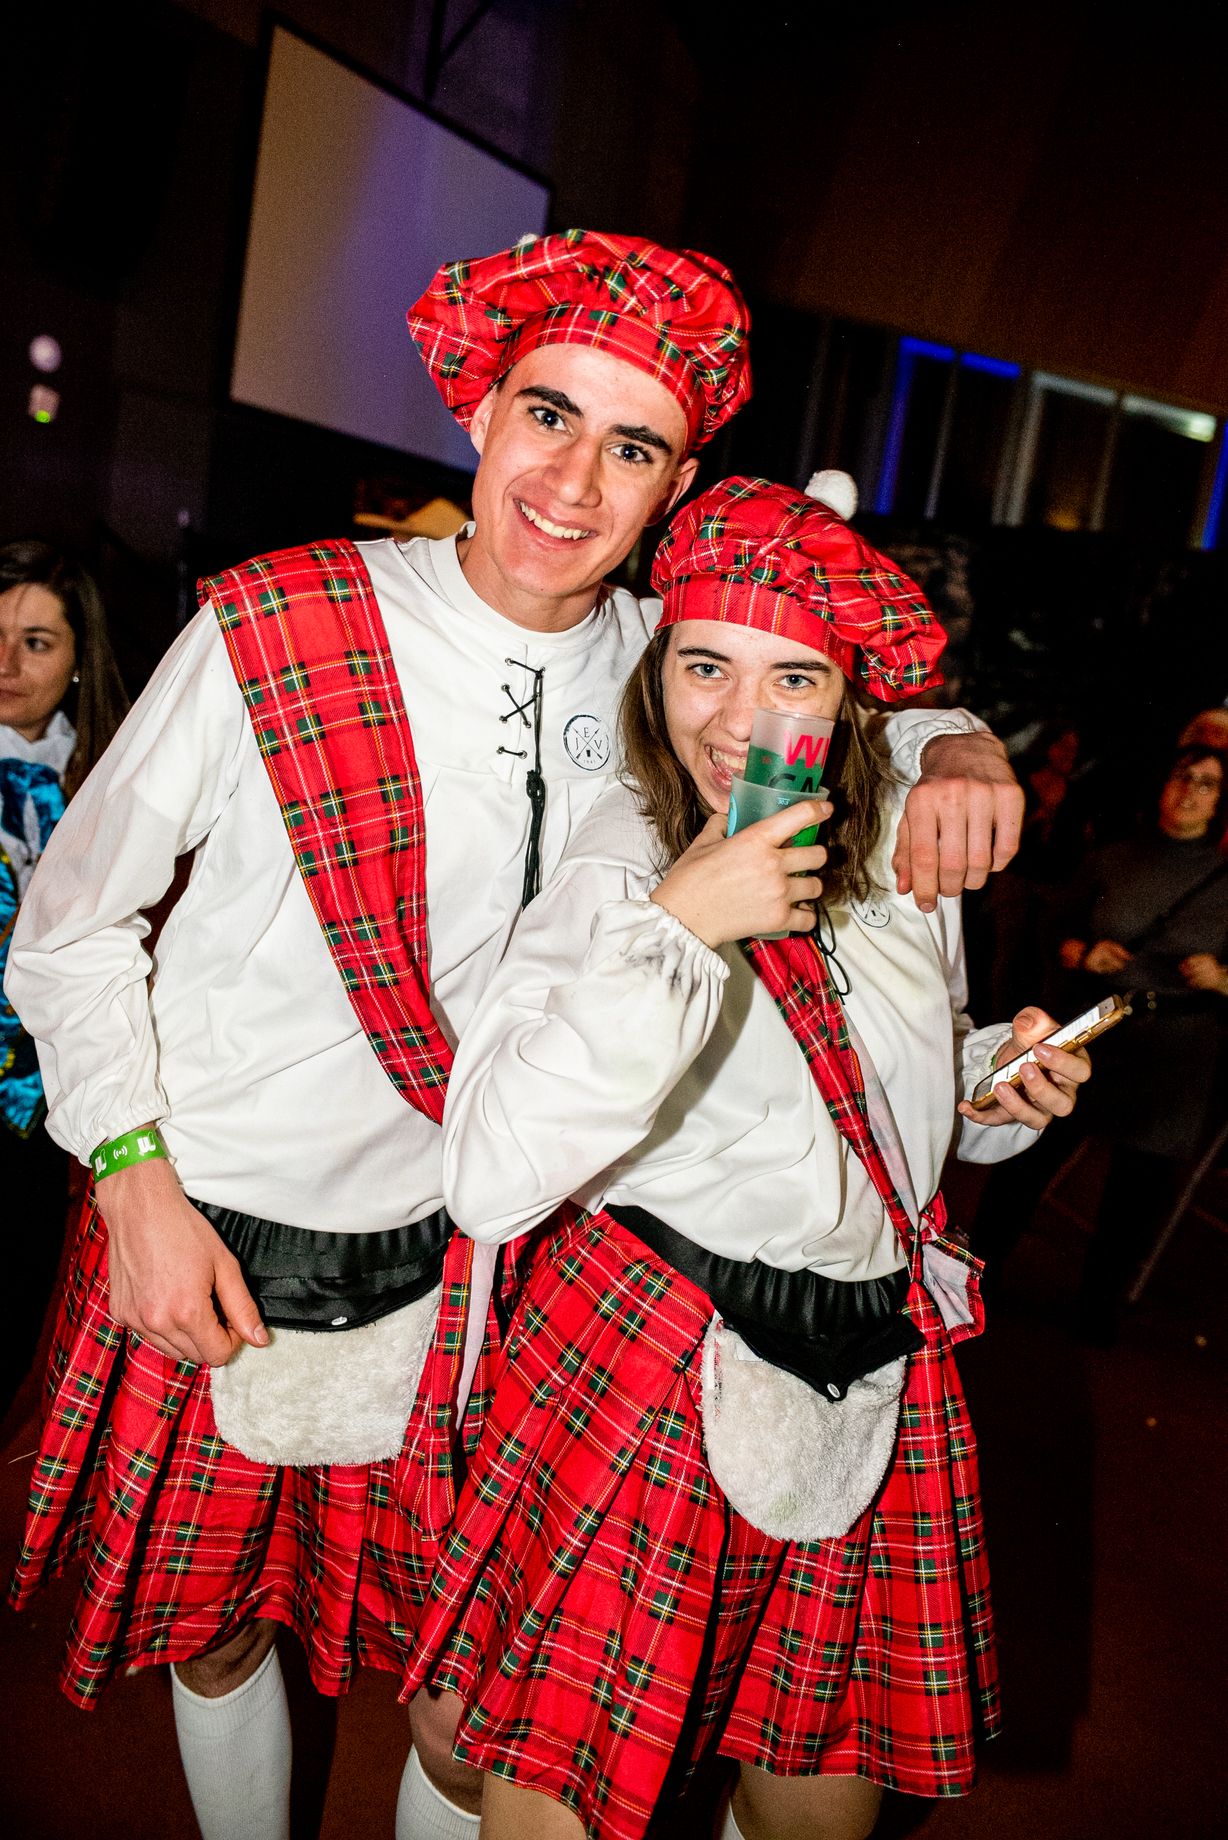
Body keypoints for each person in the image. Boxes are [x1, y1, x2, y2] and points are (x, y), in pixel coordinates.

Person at [5, 234, 1023, 1840]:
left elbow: (840, 684)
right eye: (549, 414)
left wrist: (963, 742)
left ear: (675, 487)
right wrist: (130, 1179)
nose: (574, 480)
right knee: (220, 1635)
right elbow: (67, 927)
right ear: (480, 413)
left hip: (507, 1267)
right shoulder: (280, 621)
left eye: (635, 447)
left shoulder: (660, 657)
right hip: (225, 1219)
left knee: (467, 1706)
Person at [402, 478, 1090, 1840]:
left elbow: (903, 1100)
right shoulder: (619, 861)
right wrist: (681, 926)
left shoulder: (895, 846)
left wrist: (993, 1083)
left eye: (795, 677)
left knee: (813, 1813)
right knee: (550, 1794)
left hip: (871, 1363)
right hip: (661, 1353)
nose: (738, 720)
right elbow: (485, 1174)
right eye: (706, 666)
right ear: (658, 669)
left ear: (848, 700)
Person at [973, 743, 1228, 1332]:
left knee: (1136, 1193)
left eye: (1207, 783)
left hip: (1177, 1052)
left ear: (1221, 801)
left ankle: (1094, 1318)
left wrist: (1221, 977)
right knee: (1028, 1158)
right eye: (1182, 775)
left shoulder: (1223, 882)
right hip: (1097, 1030)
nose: (1189, 791)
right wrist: (1081, 953)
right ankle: (974, 1276)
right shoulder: (1114, 859)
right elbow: (1053, 929)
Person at [0, 540, 127, 1420]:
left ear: (80, 659)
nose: (6, 664)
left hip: (41, 1113)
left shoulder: (115, 786)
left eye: (36, 642)